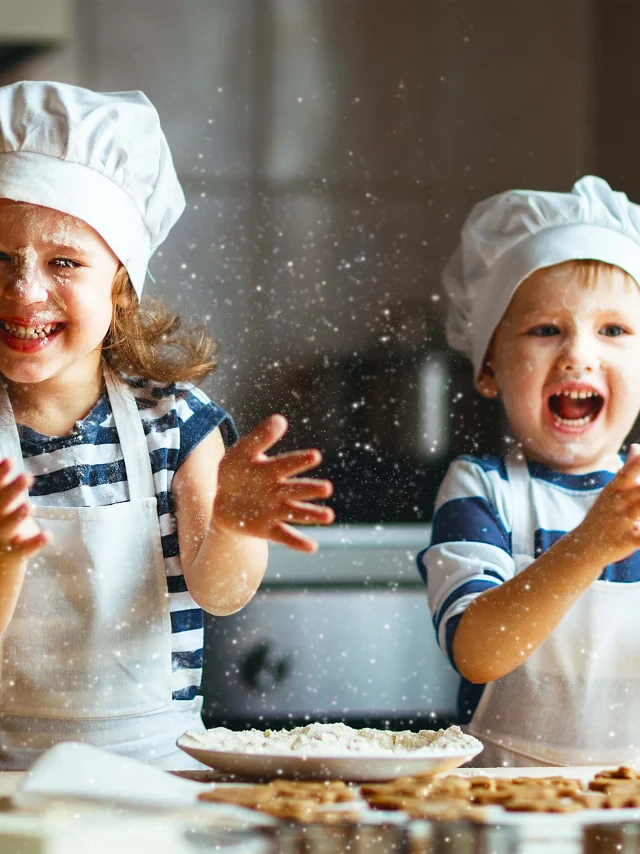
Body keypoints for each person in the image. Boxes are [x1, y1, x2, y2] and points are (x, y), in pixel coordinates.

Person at [0, 80, 334, 770]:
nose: (24, 291)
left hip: (156, 774)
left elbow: (218, 592)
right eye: (0, 260)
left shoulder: (174, 423)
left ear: (120, 284)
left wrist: (235, 528)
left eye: (64, 262)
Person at [418, 175, 640, 767]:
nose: (579, 355)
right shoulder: (481, 490)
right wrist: (590, 546)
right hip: (505, 803)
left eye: (613, 330)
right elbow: (478, 651)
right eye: (547, 330)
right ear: (490, 367)